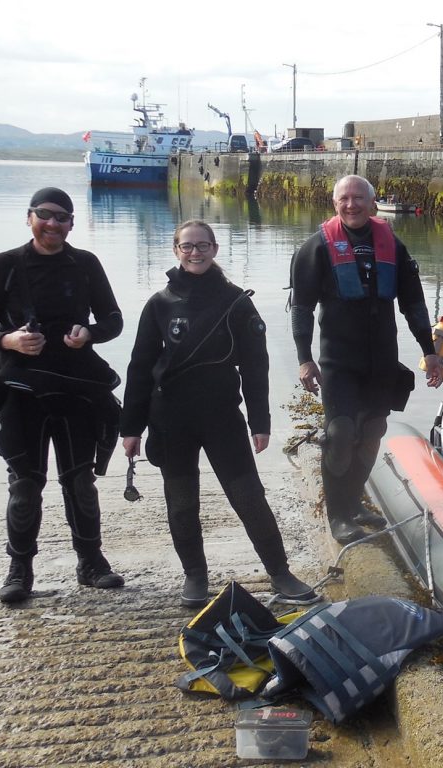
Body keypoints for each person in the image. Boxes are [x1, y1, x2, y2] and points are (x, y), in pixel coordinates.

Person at [120, 220, 317, 608]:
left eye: (202, 246)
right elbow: (139, 367)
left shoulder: (236, 302)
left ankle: (279, 572)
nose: (195, 253)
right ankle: (195, 576)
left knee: (248, 496)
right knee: (181, 501)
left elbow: (255, 366)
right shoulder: (159, 303)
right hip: (170, 417)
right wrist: (131, 427)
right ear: (176, 251)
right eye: (187, 246)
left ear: (214, 249)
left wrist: (260, 422)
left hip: (222, 416)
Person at [0, 187, 125, 604]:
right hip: (20, 389)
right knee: (25, 485)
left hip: (75, 387)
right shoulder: (5, 265)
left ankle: (91, 562)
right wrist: (8, 340)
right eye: (45, 215)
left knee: (80, 481)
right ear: (30, 217)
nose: (52, 224)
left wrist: (89, 333)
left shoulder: (85, 264)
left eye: (62, 218)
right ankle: (19, 570)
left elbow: (113, 319)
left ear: (72, 224)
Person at [290, 175, 443, 544]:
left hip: (381, 359)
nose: (351, 204)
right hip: (338, 359)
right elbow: (301, 308)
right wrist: (304, 359)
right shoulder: (316, 248)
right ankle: (338, 514)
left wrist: (429, 350)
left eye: (359, 198)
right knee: (340, 432)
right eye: (344, 198)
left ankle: (354, 502)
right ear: (334, 203)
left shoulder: (394, 246)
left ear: (373, 204)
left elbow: (413, 304)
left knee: (373, 430)